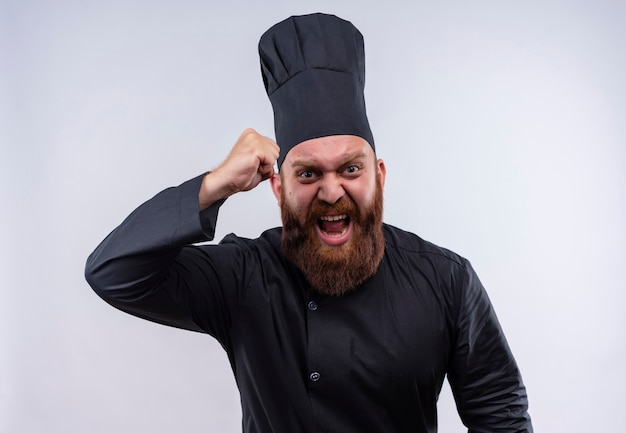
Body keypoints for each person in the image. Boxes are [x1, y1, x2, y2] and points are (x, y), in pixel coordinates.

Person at [85, 13, 533, 433]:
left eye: (351, 170)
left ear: (379, 177)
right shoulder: (245, 275)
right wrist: (215, 183)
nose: (332, 191)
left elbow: (501, 414)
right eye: (308, 173)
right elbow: (114, 273)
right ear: (279, 188)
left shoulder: (446, 280)